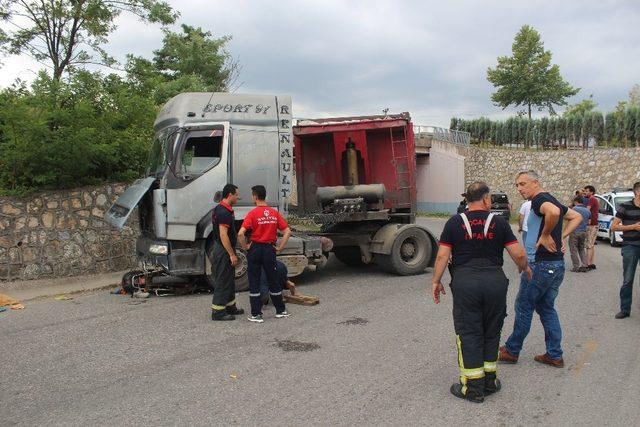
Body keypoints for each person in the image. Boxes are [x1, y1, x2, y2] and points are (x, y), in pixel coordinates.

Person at [432, 181, 530, 403]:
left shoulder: (454, 223)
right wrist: (525, 268)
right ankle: (489, 381)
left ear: (467, 199)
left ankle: (472, 388)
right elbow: (519, 255)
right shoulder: (500, 223)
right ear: (486, 199)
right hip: (495, 282)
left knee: (469, 332)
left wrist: (436, 281)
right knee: (491, 330)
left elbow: (442, 256)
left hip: (466, 283)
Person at [499, 170, 582, 368]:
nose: (519, 188)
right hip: (557, 265)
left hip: (542, 265)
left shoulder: (539, 200)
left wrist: (546, 235)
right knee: (546, 308)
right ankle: (554, 355)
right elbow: (576, 216)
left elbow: (553, 213)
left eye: (522, 184)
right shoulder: (551, 199)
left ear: (535, 183)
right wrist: (561, 236)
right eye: (517, 185)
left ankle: (512, 350)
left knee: (524, 306)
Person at [238, 185, 292, 323]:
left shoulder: (252, 214)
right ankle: (281, 310)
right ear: (265, 196)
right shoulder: (273, 213)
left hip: (255, 249)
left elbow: (240, 233)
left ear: (255, 196)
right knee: (273, 279)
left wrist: (246, 247)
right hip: (269, 249)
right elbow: (287, 231)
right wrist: (279, 248)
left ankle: (256, 314)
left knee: (254, 280)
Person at [210, 184, 245, 321]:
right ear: (230, 194)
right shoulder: (224, 212)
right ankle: (218, 312)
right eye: (236, 195)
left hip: (223, 248)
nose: (238, 197)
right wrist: (231, 254)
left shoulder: (221, 208)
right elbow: (223, 235)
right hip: (223, 250)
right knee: (223, 280)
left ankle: (230, 307)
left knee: (229, 279)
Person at [611, 181, 640, 319]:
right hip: (630, 246)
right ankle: (625, 309)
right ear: (637, 192)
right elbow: (614, 227)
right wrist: (633, 227)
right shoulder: (625, 206)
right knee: (628, 279)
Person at [568, 196, 591, 273]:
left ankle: (576, 266)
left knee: (573, 249)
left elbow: (569, 219)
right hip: (583, 232)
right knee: (581, 249)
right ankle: (584, 265)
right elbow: (589, 222)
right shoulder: (587, 211)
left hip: (575, 231)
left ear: (576, 201)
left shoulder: (574, 209)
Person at [583, 185, 600, 270]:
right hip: (594, 224)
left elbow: (587, 210)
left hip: (591, 225)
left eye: (587, 191)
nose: (585, 192)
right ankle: (591, 262)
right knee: (591, 245)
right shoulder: (594, 199)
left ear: (591, 192)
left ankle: (588, 264)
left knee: (589, 245)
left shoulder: (592, 199)